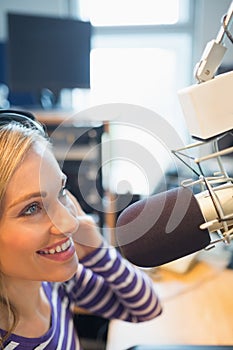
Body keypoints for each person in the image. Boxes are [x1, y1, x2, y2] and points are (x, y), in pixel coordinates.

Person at [0, 109, 162, 349]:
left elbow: (146, 307)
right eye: (32, 208)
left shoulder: (53, 282)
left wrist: (98, 251)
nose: (70, 223)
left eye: (62, 191)